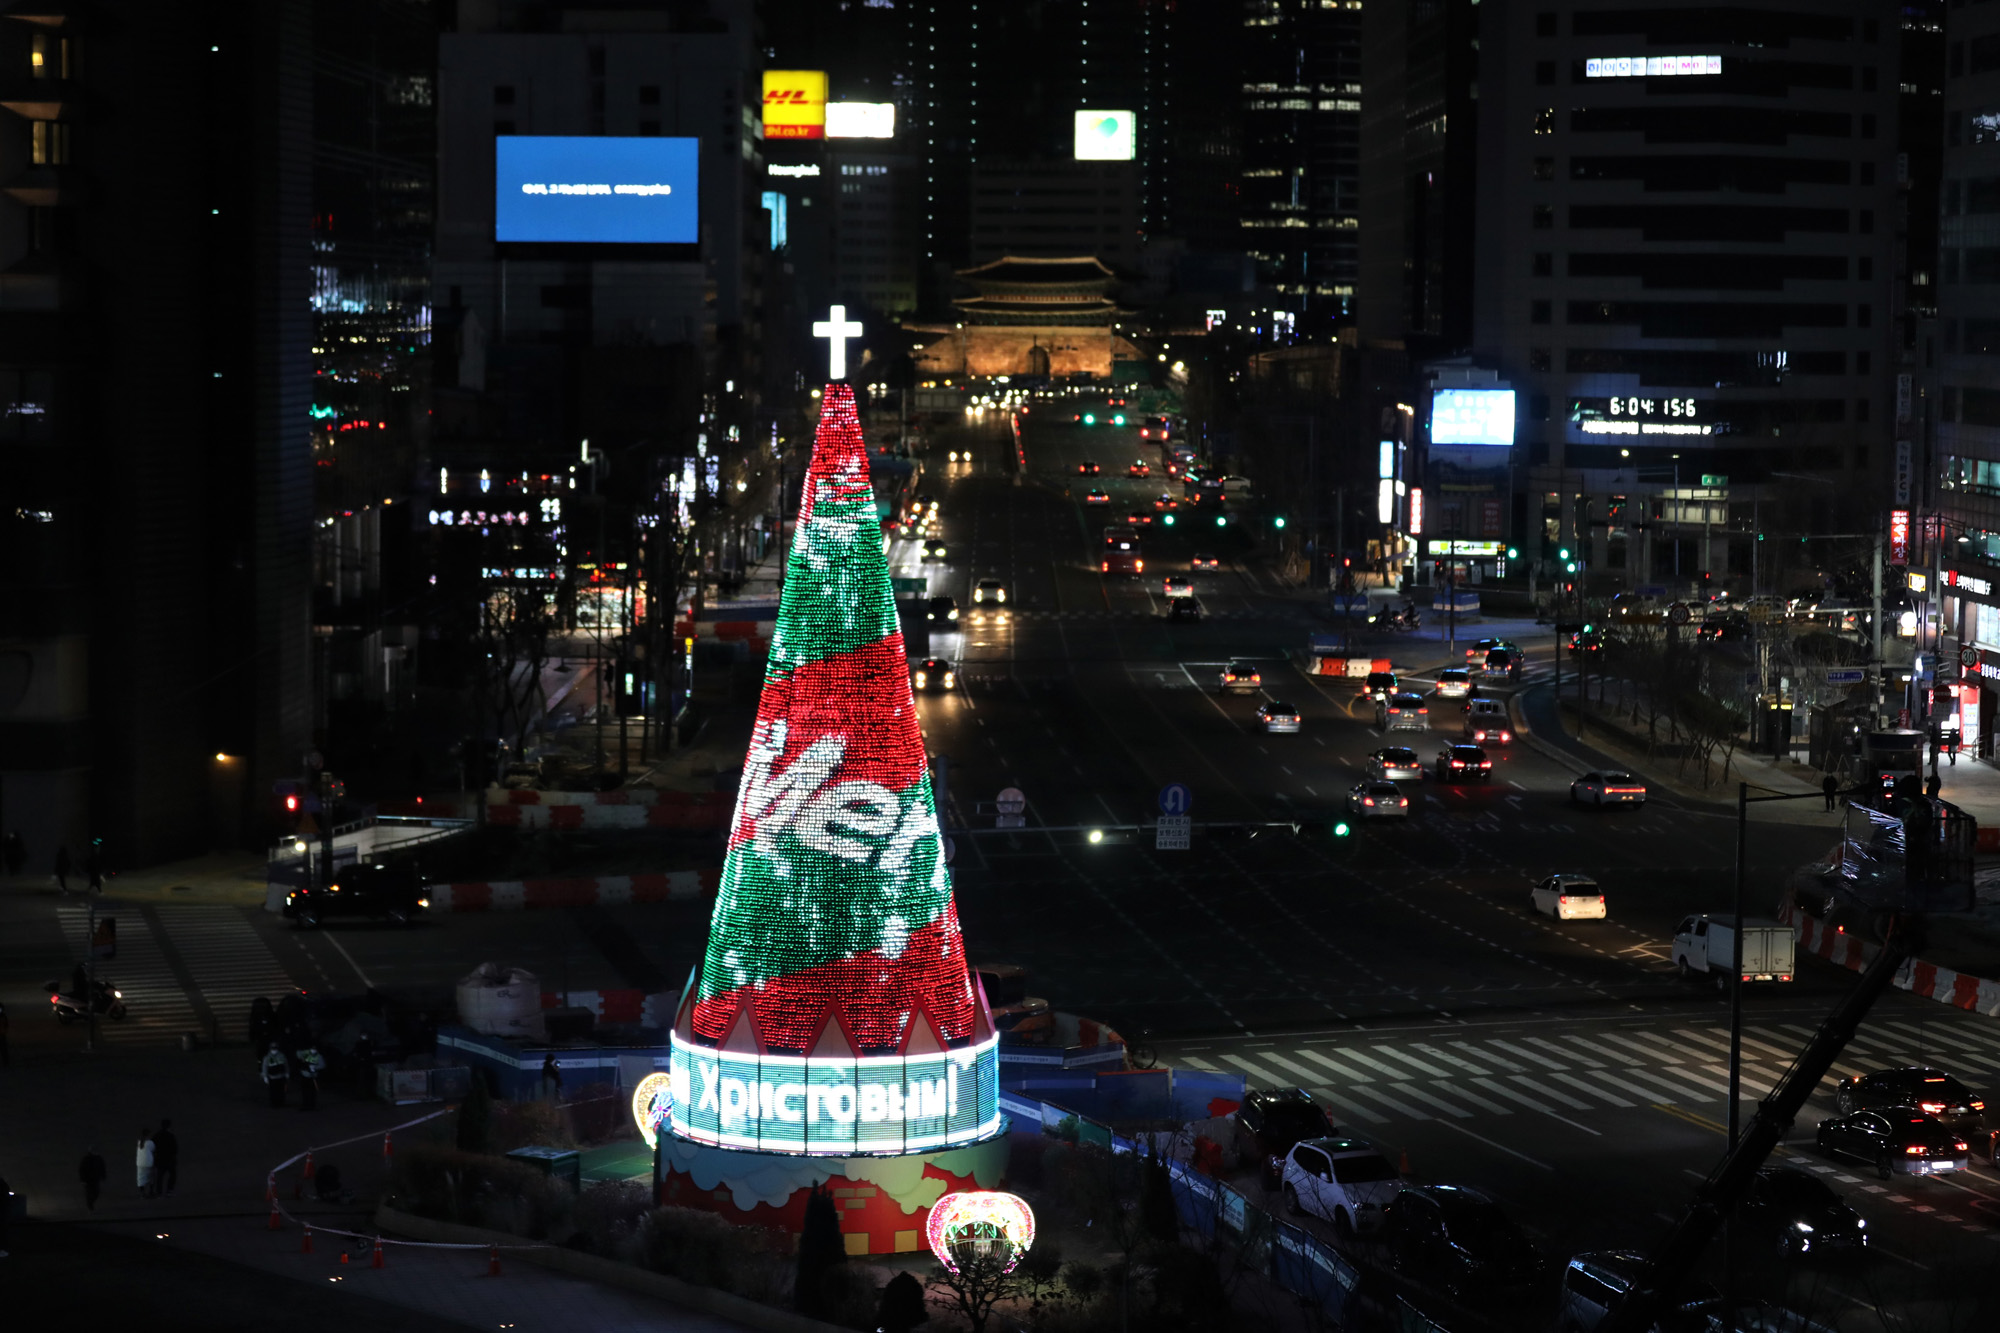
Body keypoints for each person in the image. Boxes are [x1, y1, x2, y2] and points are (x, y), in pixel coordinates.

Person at [152, 1119, 178, 1197]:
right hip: (169, 1159)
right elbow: (175, 1148)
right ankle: (169, 1190)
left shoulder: (157, 1135)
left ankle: (159, 1192)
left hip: (160, 1158)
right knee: (172, 1175)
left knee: (160, 1176)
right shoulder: (170, 1135)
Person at [295, 1044, 324, 1111]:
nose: (313, 1050)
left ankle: (312, 1105)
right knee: (305, 1091)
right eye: (312, 1048)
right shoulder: (305, 1053)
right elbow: (298, 1054)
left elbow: (322, 1065)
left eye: (314, 1049)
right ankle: (305, 1105)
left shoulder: (319, 1056)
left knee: (312, 1092)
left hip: (313, 1077)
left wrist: (315, 1067)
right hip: (304, 1075)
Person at [261, 1042, 290, 1108]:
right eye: (273, 1048)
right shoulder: (267, 1057)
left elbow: (286, 1065)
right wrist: (265, 1077)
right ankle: (274, 1104)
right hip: (272, 1078)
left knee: (281, 1091)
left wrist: (287, 1073)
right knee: (273, 1092)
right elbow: (264, 1067)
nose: (274, 1050)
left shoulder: (282, 1056)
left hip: (281, 1077)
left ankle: (281, 1103)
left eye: (275, 1048)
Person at [78, 1147, 106, 1212]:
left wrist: (103, 1176)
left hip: (95, 1179)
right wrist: (82, 1180)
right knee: (89, 1193)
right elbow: (82, 1170)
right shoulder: (86, 1159)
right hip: (88, 1180)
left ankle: (90, 1203)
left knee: (96, 1192)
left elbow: (102, 1167)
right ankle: (90, 1206)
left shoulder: (99, 1158)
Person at [135, 1129, 155, 1199]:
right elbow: (153, 1149)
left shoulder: (139, 1142)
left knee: (140, 1179)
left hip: (140, 1163)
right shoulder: (150, 1143)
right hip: (149, 1162)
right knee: (151, 1177)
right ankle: (151, 1192)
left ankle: (142, 1194)